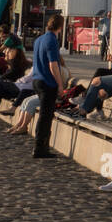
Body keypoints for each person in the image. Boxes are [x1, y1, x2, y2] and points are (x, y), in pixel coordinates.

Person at [31, 14, 67, 159]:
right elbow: (53, 65)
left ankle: (42, 146)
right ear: (60, 27)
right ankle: (40, 148)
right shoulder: (52, 40)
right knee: (45, 117)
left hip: (37, 80)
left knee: (44, 116)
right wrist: (60, 85)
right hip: (47, 82)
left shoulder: (39, 40)